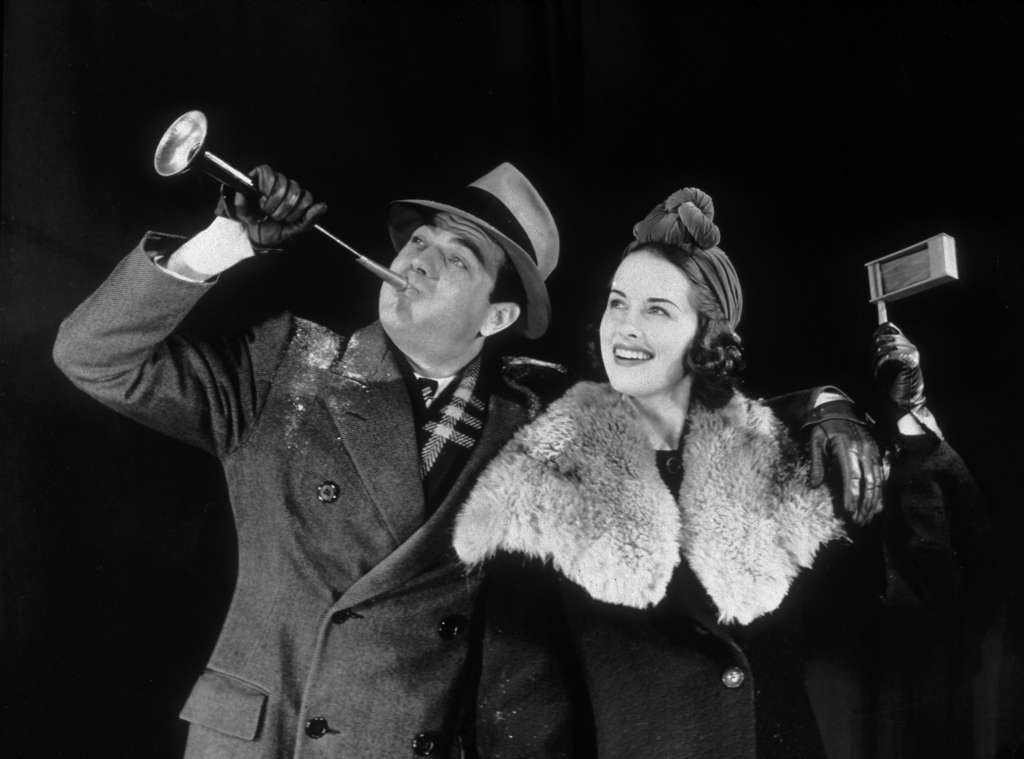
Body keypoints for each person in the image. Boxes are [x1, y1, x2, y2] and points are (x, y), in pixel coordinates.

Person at [53, 169, 880, 759]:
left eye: (456, 257)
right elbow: (95, 358)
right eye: (417, 240)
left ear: (499, 313)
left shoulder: (543, 422)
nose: (416, 259)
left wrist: (828, 404)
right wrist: (225, 241)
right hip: (269, 740)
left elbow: (689, 389)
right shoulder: (285, 367)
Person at [453, 188, 989, 758]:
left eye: (657, 309)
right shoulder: (540, 482)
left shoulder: (782, 461)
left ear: (706, 336)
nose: (625, 327)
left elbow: (925, 595)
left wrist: (907, 420)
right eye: (617, 302)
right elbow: (520, 723)